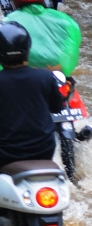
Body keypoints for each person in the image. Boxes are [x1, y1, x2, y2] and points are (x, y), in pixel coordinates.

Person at [0, 21, 64, 167]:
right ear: (27, 48)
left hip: (6, 155)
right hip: (44, 151)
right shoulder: (45, 77)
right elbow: (57, 108)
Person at [5, 0, 81, 76]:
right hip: (59, 76)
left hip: (23, 77)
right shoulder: (65, 19)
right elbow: (74, 46)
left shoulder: (9, 21)